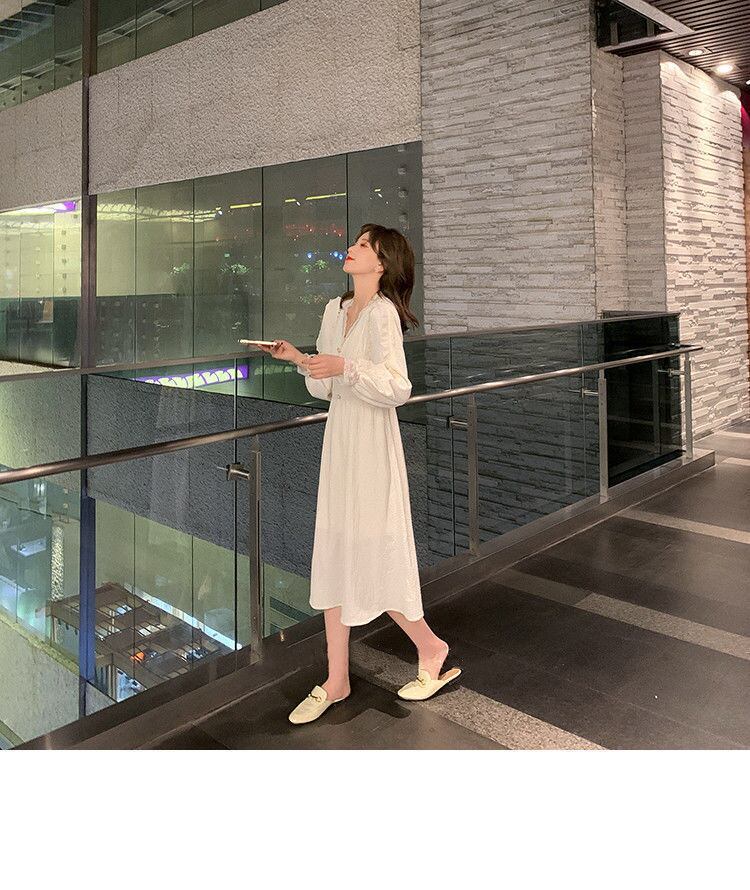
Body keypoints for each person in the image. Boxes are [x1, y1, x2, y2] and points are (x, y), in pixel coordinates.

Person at [255, 223, 461, 725]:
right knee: (334, 549)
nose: (351, 249)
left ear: (381, 263)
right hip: (341, 439)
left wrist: (344, 366)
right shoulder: (335, 309)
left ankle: (430, 646)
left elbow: (397, 387)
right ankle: (337, 678)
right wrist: (299, 359)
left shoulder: (384, 314)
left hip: (371, 443)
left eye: (363, 245)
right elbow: (326, 386)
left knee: (374, 550)